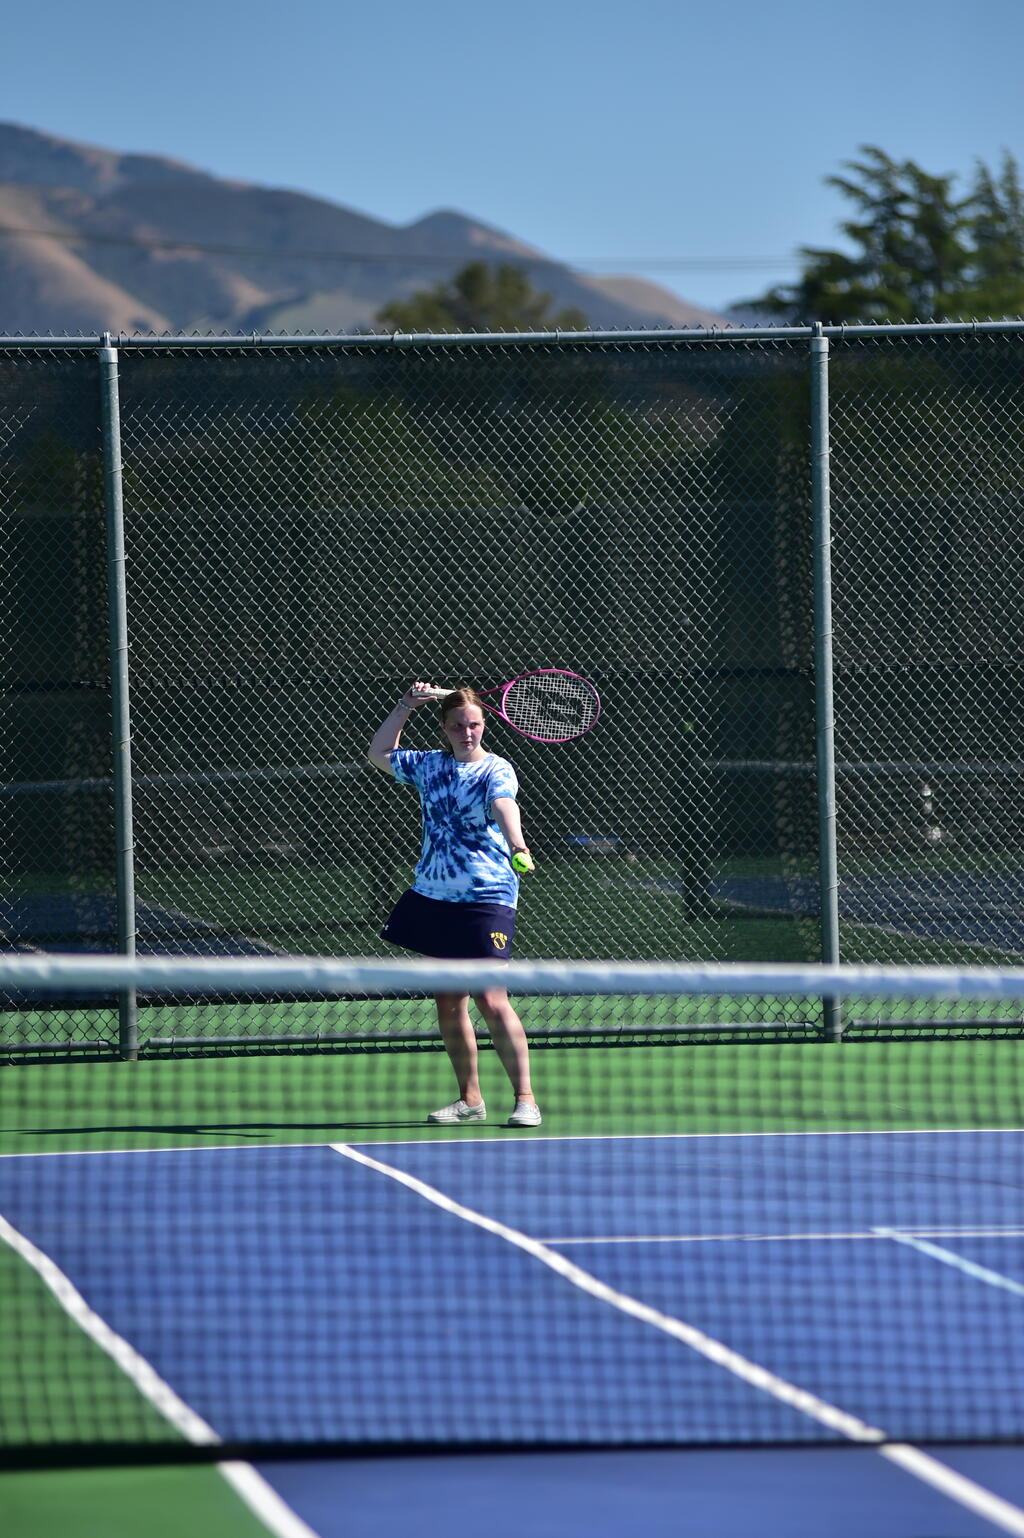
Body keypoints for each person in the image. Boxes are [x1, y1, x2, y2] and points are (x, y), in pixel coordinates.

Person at [368, 681, 541, 1128]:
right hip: (434, 895)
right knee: (448, 1000)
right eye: (459, 726)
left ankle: (525, 1099)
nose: (468, 733)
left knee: (490, 997)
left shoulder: (496, 769)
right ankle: (470, 1100)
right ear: (445, 728)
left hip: (487, 896)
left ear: (484, 725)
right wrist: (405, 705)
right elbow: (379, 753)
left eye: (475, 725)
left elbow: (503, 805)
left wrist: (518, 844)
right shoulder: (429, 766)